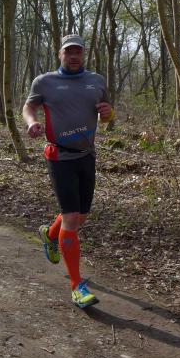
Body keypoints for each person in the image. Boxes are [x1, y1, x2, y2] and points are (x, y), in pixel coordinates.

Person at [22, 34, 114, 309]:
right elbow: (29, 106)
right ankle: (77, 286)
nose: (74, 56)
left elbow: (107, 115)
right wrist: (31, 122)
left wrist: (108, 113)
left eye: (78, 52)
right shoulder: (45, 82)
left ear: (83, 54)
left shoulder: (96, 81)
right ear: (60, 54)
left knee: (79, 217)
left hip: (86, 156)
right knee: (72, 218)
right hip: (59, 156)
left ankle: (51, 235)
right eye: (68, 51)